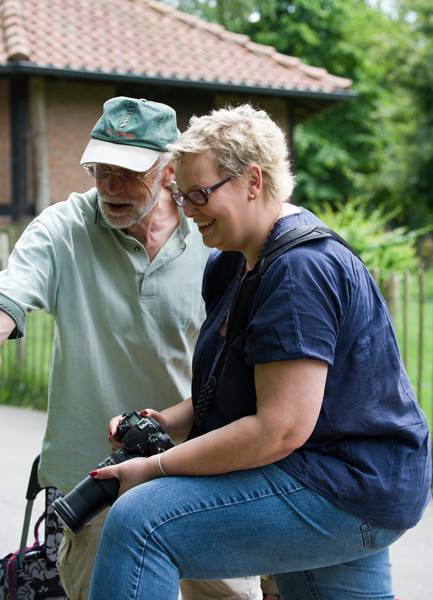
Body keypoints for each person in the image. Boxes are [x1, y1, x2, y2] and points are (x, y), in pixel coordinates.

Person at [87, 103, 432, 600]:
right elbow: (249, 390)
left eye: (200, 193)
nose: (187, 209)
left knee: (140, 524)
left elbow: (279, 428)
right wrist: (167, 422)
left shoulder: (299, 273)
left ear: (253, 181)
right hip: (343, 479)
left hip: (340, 483)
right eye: (180, 194)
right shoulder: (233, 264)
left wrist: (154, 468)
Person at [0, 98, 262, 600]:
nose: (110, 186)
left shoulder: (215, 232)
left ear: (169, 170)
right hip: (93, 482)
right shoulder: (65, 228)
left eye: (128, 172)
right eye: (101, 169)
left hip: (204, 474)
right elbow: (11, 295)